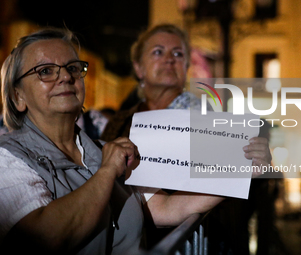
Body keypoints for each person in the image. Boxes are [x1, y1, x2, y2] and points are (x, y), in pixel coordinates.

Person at [0, 27, 271, 255]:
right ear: (17, 96)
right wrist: (106, 172)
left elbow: (163, 207)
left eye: (73, 67)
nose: (66, 76)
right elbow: (46, 238)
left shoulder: (102, 148)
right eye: (45, 71)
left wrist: (239, 169)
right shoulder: (8, 160)